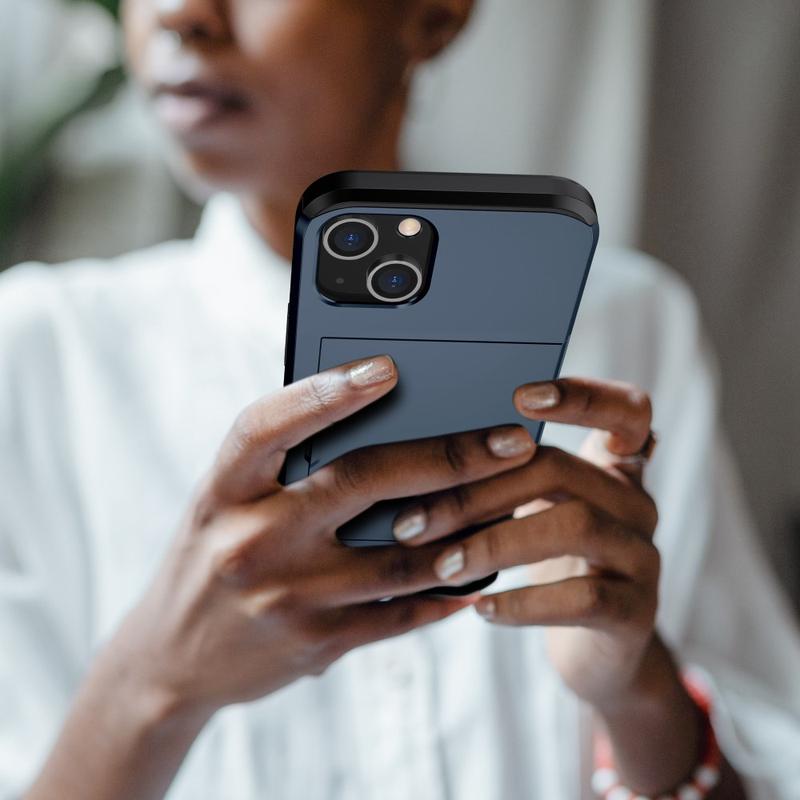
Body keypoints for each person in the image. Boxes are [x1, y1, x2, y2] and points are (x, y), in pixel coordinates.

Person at [1, 1, 799, 798]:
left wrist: (635, 692)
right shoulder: (41, 355)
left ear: (435, 15)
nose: (180, 13)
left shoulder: (627, 328)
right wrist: (155, 683)